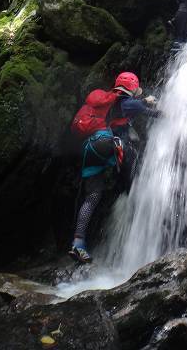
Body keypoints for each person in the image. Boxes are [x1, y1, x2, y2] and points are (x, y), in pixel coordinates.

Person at [68, 71, 156, 263]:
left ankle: (78, 243)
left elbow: (141, 111)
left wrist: (153, 111)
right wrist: (148, 101)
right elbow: (136, 106)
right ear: (132, 88)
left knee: (92, 196)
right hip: (108, 143)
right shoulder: (122, 101)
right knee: (131, 149)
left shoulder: (105, 102)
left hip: (90, 148)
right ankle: (132, 189)